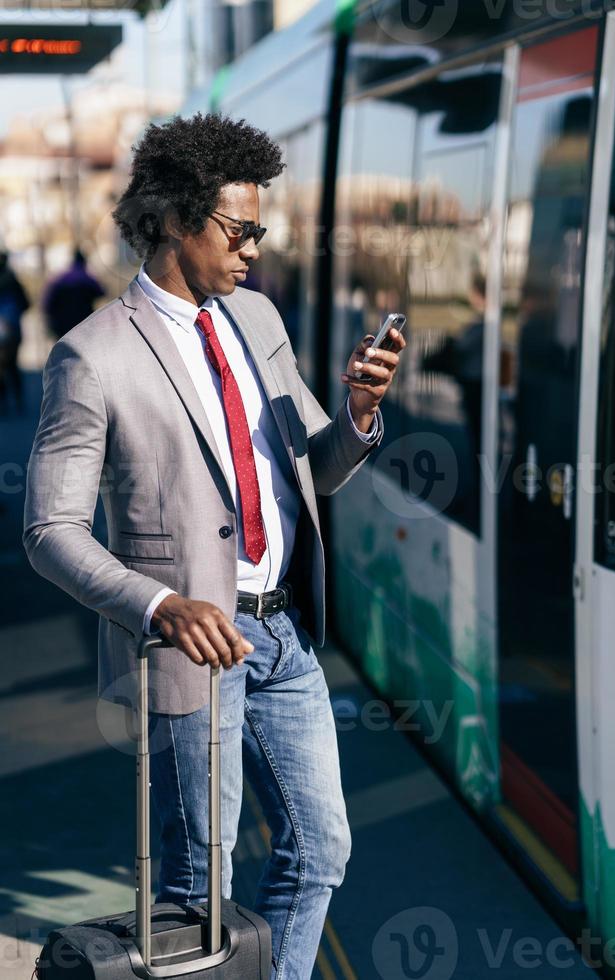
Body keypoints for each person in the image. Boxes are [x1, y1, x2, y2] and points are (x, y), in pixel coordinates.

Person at [23, 111, 406, 980]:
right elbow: (48, 530)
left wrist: (360, 411)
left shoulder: (258, 318)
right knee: (200, 885)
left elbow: (319, 469)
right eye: (240, 231)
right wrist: (161, 606)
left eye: (259, 231)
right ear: (172, 220)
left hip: (285, 639)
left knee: (322, 850)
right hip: (191, 648)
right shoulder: (93, 357)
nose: (254, 251)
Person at [42, 248, 105, 339]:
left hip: (62, 325)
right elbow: (102, 293)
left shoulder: (61, 279)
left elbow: (48, 304)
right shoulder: (88, 279)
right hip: (82, 324)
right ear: (84, 262)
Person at [0, 250, 29, 413]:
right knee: (12, 365)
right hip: (12, 329)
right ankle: (18, 400)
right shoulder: (13, 281)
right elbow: (26, 303)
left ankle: (3, 402)